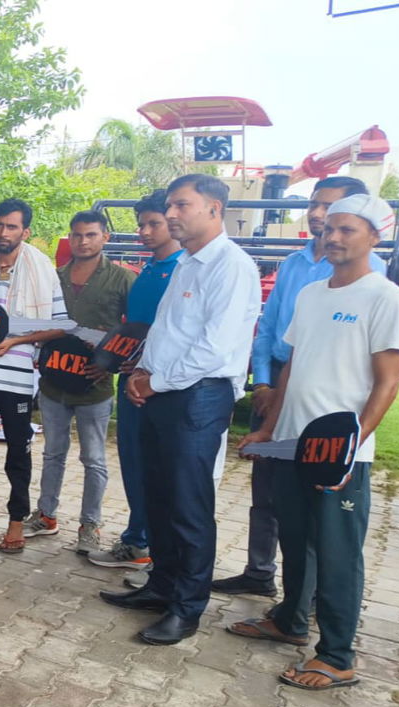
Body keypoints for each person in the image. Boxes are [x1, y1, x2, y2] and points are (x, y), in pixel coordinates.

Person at [231, 194, 399, 690]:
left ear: (374, 236)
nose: (332, 237)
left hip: (339, 454)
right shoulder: (311, 294)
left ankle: (337, 655)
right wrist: (268, 427)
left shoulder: (384, 297)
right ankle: (289, 620)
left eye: (347, 229)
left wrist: (352, 444)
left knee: (337, 552)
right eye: (328, 228)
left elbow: (389, 380)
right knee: (295, 541)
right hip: (290, 443)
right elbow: (292, 366)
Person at [103, 174, 261, 646]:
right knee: (160, 497)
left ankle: (187, 608)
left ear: (214, 208)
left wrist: (155, 381)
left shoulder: (231, 267)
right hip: (163, 391)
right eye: (170, 206)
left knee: (189, 505)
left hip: (199, 396)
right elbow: (168, 333)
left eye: (181, 205)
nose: (171, 215)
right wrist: (140, 374)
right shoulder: (188, 264)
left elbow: (214, 348)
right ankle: (161, 586)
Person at [213, 176, 384, 597]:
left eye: (334, 212)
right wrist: (266, 386)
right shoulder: (297, 270)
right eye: (315, 206)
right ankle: (262, 577)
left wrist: (351, 440)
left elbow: (381, 373)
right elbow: (272, 330)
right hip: (278, 396)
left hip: (329, 422)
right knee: (271, 499)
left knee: (324, 525)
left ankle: (315, 612)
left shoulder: (373, 280)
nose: (320, 217)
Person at [0, 199, 70, 551]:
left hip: (18, 377)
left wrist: (15, 341)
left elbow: (59, 326)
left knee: (17, 454)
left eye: (11, 226)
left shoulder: (42, 270)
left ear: (25, 231)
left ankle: (16, 522)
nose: (3, 232)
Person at [25, 211, 134, 554]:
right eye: (76, 235)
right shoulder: (53, 278)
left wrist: (110, 363)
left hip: (94, 386)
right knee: (53, 453)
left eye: (90, 235)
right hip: (54, 381)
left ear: (105, 237)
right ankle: (46, 515)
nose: (82, 241)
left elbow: (134, 331)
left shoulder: (122, 279)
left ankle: (90, 524)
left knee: (94, 459)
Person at [88, 190, 182, 573]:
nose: (144, 231)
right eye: (140, 224)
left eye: (153, 224)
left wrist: (147, 366)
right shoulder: (148, 269)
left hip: (158, 388)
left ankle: (154, 549)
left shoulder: (182, 271)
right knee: (134, 465)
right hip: (129, 382)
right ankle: (137, 540)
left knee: (159, 471)